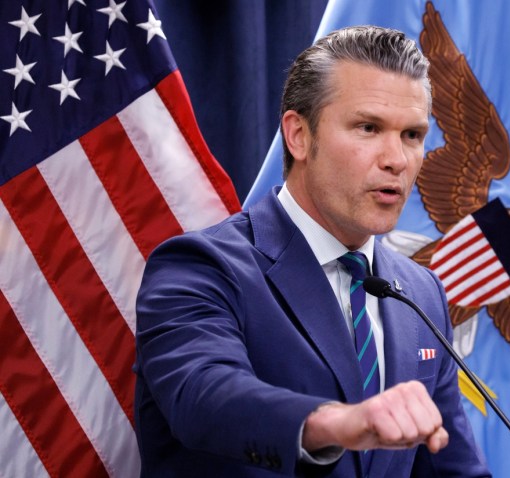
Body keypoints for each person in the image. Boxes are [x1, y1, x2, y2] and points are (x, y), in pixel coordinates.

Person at [134, 26, 491, 477]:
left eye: (412, 135)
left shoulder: (421, 293)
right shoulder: (201, 267)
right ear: (298, 135)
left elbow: (452, 469)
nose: (397, 159)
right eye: (368, 128)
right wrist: (338, 423)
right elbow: (204, 395)